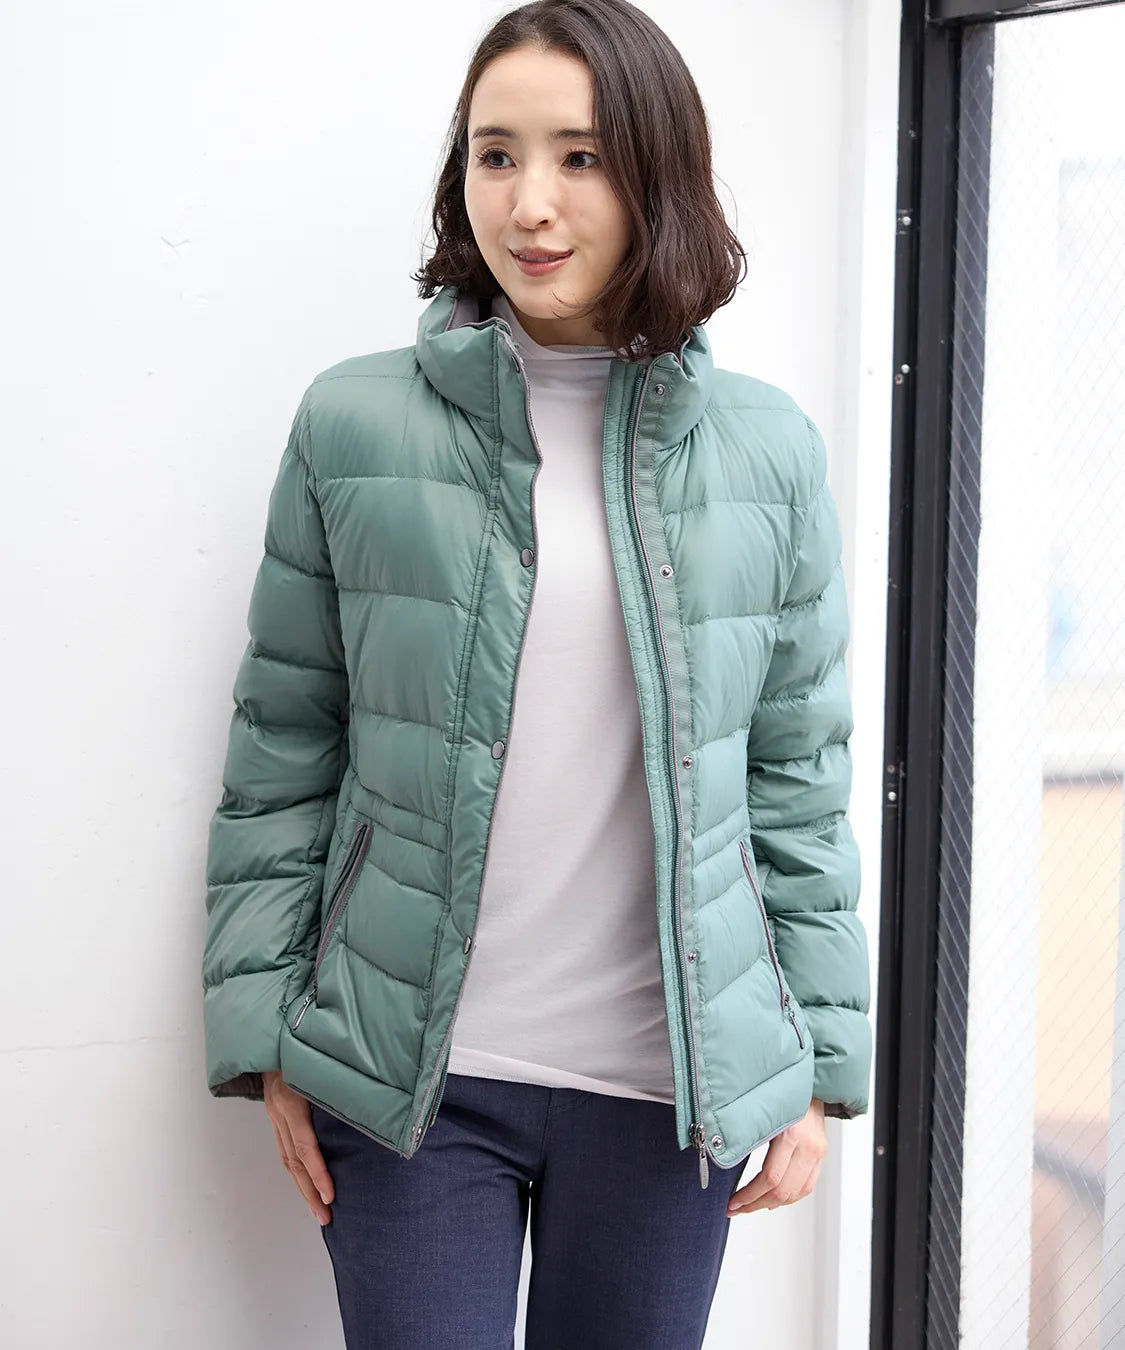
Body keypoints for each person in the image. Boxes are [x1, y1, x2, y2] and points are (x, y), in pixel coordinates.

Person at [200, 2, 873, 1346]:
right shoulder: (352, 422)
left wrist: (818, 1064)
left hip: (665, 1093)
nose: (530, 203)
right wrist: (266, 1028)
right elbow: (285, 742)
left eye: (580, 156)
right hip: (408, 1081)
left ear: (655, 175)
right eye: (495, 154)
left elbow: (795, 779)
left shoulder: (767, 449)